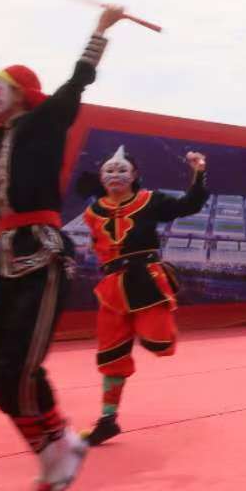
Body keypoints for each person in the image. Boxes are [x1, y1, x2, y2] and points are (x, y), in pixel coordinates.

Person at [0, 5, 131, 491]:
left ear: (20, 93)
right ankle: (57, 450)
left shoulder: (43, 124)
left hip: (40, 258)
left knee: (20, 367)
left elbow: (75, 84)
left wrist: (100, 32)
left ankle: (59, 451)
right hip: (7, 257)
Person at [72, 145, 209, 446]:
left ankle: (154, 332)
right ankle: (108, 419)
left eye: (122, 170)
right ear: (101, 177)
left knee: (160, 341)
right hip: (111, 288)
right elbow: (97, 246)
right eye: (109, 170)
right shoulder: (92, 213)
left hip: (145, 280)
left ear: (134, 175)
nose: (115, 174)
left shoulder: (150, 200)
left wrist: (198, 173)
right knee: (111, 355)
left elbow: (189, 205)